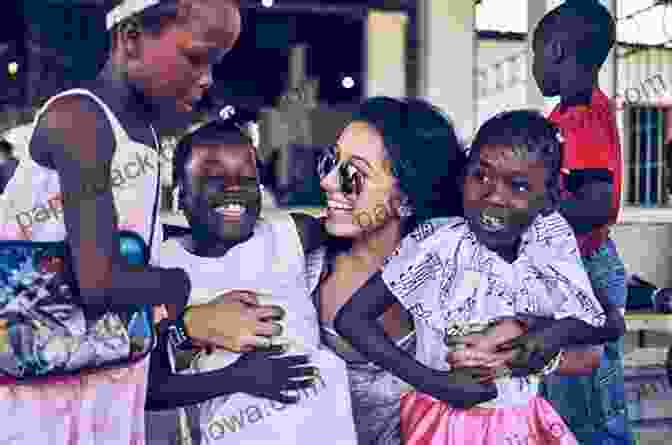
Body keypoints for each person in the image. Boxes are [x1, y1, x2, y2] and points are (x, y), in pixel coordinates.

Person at [0, 0, 244, 443]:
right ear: (131, 39)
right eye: (195, 57)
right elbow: (99, 283)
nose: (207, 79)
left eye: (214, 64)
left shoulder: (143, 138)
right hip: (41, 409)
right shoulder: (80, 120)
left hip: (106, 396)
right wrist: (176, 284)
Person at [334, 111, 615, 445]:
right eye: (480, 176)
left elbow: (607, 321)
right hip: (445, 422)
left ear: (550, 198)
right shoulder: (437, 244)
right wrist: (433, 382)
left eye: (519, 185)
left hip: (522, 420)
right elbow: (351, 319)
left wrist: (553, 335)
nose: (494, 196)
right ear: (462, 176)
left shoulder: (549, 240)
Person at [146, 113, 357, 445]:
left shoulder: (291, 235)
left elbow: (360, 222)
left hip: (321, 427)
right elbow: (152, 389)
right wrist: (236, 378)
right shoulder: (166, 267)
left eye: (247, 176)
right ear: (180, 196)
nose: (234, 186)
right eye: (214, 176)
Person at [304, 96, 469, 444]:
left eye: (355, 173)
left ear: (406, 197)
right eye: (332, 162)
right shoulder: (303, 269)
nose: (329, 182)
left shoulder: (450, 276)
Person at [531, 1, 634, 443]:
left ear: (555, 51)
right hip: (571, 272)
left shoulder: (583, 120)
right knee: (566, 412)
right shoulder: (564, 117)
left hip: (587, 272)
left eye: (534, 53)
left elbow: (597, 203)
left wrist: (528, 203)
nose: (534, 65)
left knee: (593, 417)